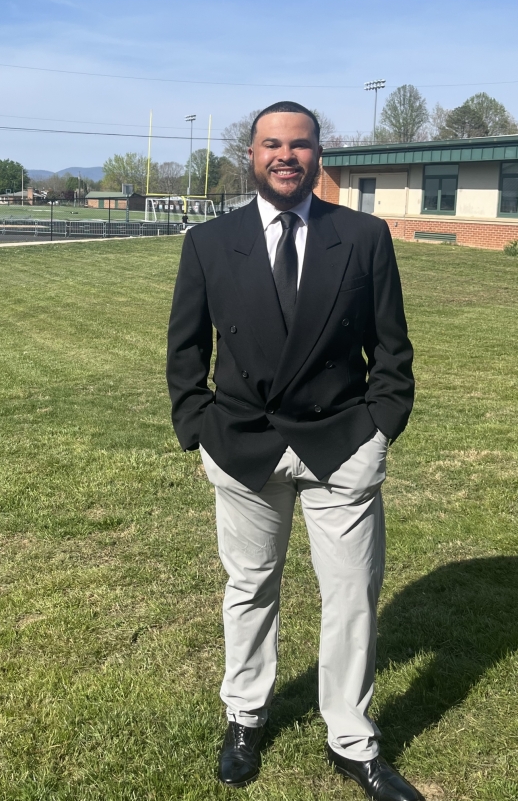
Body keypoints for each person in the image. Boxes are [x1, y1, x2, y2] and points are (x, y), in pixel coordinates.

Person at [166, 102, 420, 799]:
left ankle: (351, 738)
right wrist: (196, 425)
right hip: (241, 445)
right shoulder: (209, 243)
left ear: (318, 155)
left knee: (351, 596)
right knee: (249, 588)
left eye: (299, 144)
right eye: (272, 144)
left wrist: (380, 427)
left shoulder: (363, 236)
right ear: (249, 155)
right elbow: (185, 348)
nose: (286, 155)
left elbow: (391, 349)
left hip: (340, 444)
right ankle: (245, 717)